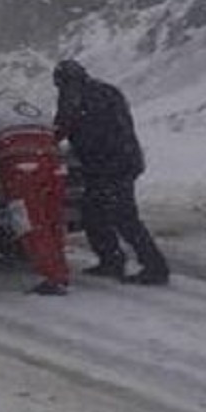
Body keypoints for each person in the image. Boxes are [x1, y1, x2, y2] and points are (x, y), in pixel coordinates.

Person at [53, 59, 170, 285]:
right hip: (122, 160)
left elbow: (63, 127)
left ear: (62, 81)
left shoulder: (74, 96)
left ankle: (154, 267)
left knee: (121, 217)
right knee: (95, 213)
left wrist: (45, 141)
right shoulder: (107, 91)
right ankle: (112, 260)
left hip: (108, 165)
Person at [0, 90, 70, 296]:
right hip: (54, 167)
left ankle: (53, 277)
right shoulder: (37, 111)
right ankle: (61, 270)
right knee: (53, 220)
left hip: (24, 170)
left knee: (31, 223)